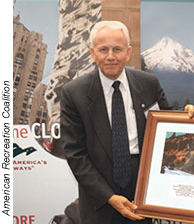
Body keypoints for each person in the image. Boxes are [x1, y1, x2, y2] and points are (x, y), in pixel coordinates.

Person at [60, 21, 169, 224]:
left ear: (128, 52)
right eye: (103, 49)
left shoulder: (149, 83)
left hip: (142, 196)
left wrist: (192, 117)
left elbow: (170, 124)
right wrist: (108, 197)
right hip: (98, 200)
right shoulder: (74, 93)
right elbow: (75, 154)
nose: (111, 56)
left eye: (117, 49)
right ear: (93, 53)